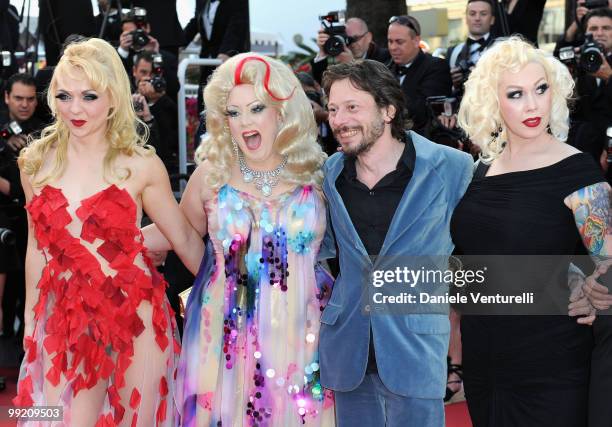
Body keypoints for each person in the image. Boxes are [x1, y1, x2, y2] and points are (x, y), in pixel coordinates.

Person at [11, 38, 203, 426]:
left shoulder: (140, 165)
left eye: (89, 96)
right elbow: (37, 246)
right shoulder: (34, 163)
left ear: (114, 97)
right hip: (64, 317)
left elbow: (182, 238)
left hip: (138, 316)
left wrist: (228, 297)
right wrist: (33, 318)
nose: (75, 109)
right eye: (64, 95)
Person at [142, 53, 335, 426]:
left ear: (280, 111)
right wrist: (107, 241)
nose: (244, 121)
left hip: (303, 328)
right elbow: (176, 230)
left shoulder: (317, 173)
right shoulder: (211, 175)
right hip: (225, 331)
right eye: (233, 113)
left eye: (256, 108)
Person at [453, 36, 610, 426]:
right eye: (516, 94)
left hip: (551, 365)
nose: (532, 104)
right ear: (494, 102)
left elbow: (608, 267)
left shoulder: (578, 171)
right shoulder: (481, 170)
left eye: (541, 89)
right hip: (485, 361)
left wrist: (589, 288)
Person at [319, 59, 473, 426]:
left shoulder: (452, 167)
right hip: (349, 346)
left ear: (388, 109)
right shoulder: (329, 173)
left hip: (416, 345)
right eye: (334, 109)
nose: (339, 120)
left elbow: (479, 250)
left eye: (352, 107)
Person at [0, 73, 45, 340]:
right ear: (7, 97)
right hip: (3, 219)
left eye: (30, 99)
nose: (24, 104)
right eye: (18, 98)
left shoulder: (44, 134)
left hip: (33, 219)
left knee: (29, 290)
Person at [386, 15, 452, 136]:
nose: (393, 47)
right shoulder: (385, 70)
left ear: (416, 41)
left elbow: (421, 112)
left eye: (399, 42)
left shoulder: (436, 67)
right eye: (390, 41)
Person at [183, 0, 250, 112]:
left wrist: (226, 52)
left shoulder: (238, 2)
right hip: (207, 60)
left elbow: (237, 26)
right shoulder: (201, 1)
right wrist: (178, 44)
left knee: (228, 103)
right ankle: (204, 128)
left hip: (228, 62)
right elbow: (195, 23)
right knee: (204, 103)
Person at [311, 17, 390, 84]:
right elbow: (322, 82)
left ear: (368, 37)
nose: (352, 44)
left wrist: (351, 65)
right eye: (348, 39)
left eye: (355, 38)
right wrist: (322, 52)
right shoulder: (341, 56)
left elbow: (381, 86)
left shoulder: (387, 57)